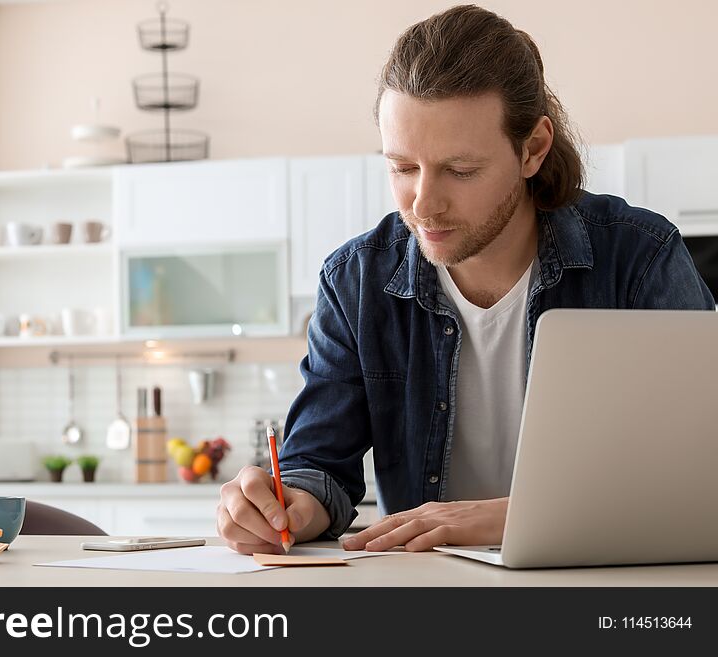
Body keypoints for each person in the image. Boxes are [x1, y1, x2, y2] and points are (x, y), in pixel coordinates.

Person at [216, 4, 715, 555]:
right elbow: (319, 468)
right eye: (402, 167)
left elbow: (700, 469)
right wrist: (284, 508)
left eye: (461, 170)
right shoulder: (354, 281)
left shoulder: (640, 260)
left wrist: (514, 519)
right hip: (429, 596)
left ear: (533, 149)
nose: (424, 204)